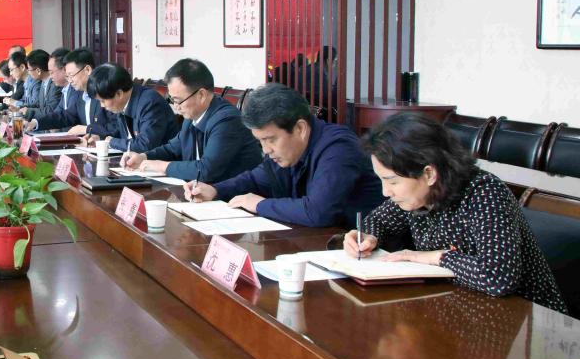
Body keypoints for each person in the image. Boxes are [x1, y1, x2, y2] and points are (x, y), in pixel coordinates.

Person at [343, 113, 566, 312]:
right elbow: (380, 220)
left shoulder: (485, 193)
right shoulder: (416, 196)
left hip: (527, 317)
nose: (385, 191)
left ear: (429, 174)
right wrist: (367, 236)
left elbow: (498, 279)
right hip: (465, 306)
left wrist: (433, 257)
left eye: (392, 181)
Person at [185, 83, 383, 227]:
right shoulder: (289, 151)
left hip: (365, 253)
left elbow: (318, 212)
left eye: (270, 140)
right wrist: (214, 190)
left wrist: (259, 204)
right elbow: (255, 179)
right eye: (261, 141)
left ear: (300, 129)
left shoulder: (339, 148)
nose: (266, 150)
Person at [122, 59, 261, 182]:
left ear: (201, 95)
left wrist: (162, 166)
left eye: (178, 100)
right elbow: (173, 148)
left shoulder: (227, 121)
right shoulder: (192, 114)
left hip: (233, 198)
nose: (176, 107)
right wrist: (143, 157)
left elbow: (206, 170)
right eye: (172, 100)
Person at [86, 63, 177, 153]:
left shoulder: (150, 103)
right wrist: (101, 140)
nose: (102, 105)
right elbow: (120, 134)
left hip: (163, 160)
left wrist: (111, 142)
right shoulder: (123, 103)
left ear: (119, 94)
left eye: (103, 101)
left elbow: (145, 145)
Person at [26, 48, 111, 136]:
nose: (70, 81)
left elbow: (114, 128)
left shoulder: (105, 92)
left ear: (87, 70)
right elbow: (66, 116)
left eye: (71, 75)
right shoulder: (81, 95)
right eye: (68, 76)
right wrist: (36, 123)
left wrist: (87, 129)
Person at [16, 49, 61, 116]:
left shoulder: (55, 84)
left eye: (29, 70)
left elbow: (51, 110)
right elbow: (38, 105)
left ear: (38, 71)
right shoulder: (43, 82)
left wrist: (28, 111)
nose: (28, 73)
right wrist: (20, 107)